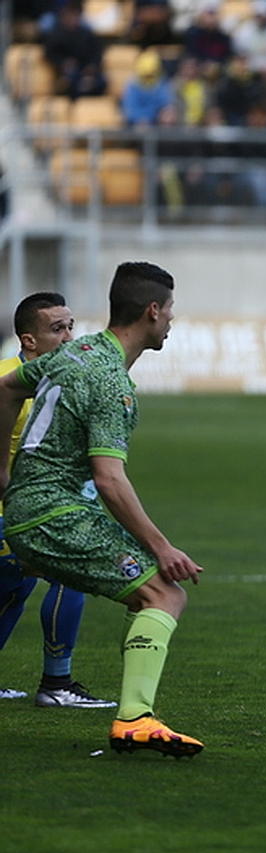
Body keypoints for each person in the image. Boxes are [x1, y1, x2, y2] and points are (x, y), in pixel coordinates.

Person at [0, 262, 205, 757]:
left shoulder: (79, 351)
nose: (173, 320)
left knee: (144, 597)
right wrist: (162, 546)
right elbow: (109, 479)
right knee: (165, 595)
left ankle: (105, 699)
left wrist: (4, 479)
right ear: (152, 311)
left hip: (25, 510)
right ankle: (134, 718)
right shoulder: (112, 382)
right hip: (56, 516)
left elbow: (6, 388)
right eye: (171, 309)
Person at [0, 294, 116, 709]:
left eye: (71, 327)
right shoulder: (7, 381)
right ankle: (57, 683)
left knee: (15, 587)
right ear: (29, 340)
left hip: (32, 507)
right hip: (15, 511)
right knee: (68, 574)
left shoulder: (61, 383)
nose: (69, 337)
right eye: (57, 329)